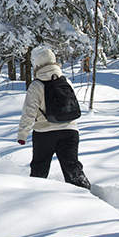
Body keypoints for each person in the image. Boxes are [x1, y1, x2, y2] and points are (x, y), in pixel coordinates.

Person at [16, 48, 90, 189]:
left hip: (44, 133)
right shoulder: (65, 80)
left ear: (37, 65)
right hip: (70, 131)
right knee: (72, 167)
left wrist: (22, 135)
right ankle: (86, 195)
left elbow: (29, 112)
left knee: (40, 168)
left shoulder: (36, 85)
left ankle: (33, 195)